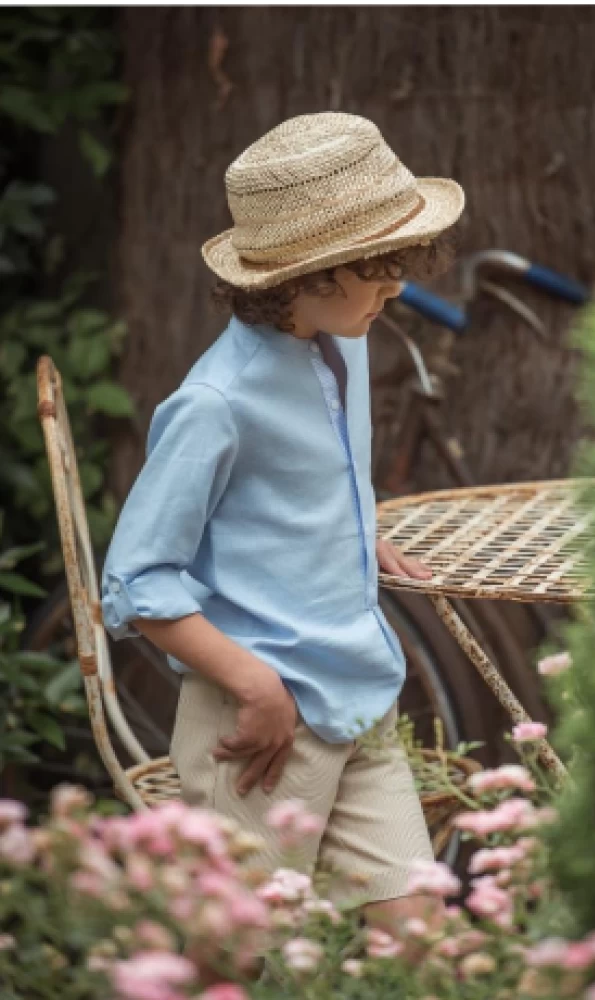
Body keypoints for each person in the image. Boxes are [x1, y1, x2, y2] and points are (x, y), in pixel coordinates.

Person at [101, 111, 465, 950]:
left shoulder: (346, 344)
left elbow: (327, 471)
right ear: (311, 274)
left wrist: (354, 531)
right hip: (261, 730)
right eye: (381, 267)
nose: (399, 288)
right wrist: (256, 687)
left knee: (421, 943)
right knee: (227, 961)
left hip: (361, 698)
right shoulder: (215, 403)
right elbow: (136, 582)